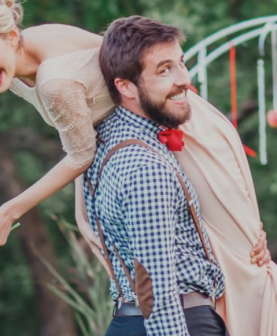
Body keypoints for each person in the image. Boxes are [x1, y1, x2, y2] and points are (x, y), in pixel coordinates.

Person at [0, 0, 277, 334]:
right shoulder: (30, 47)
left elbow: (81, 150)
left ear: (10, 34)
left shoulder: (55, 82)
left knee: (247, 262)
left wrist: (8, 211)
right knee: (208, 266)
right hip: (141, 134)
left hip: (177, 130)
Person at [85, 16, 229, 336]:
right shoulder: (145, 169)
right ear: (125, 86)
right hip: (176, 323)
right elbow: (158, 295)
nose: (184, 79)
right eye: (164, 70)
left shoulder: (103, 138)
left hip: (132, 321)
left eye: (181, 63)